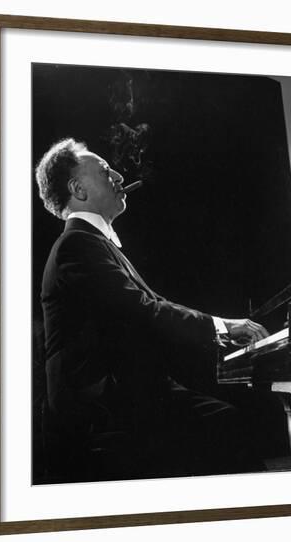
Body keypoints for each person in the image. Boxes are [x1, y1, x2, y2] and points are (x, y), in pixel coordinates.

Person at [35, 137, 268, 482]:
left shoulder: (92, 243)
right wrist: (222, 327)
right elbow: (143, 312)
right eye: (104, 170)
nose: (117, 174)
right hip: (105, 411)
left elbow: (144, 314)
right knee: (229, 426)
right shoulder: (76, 244)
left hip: (128, 398)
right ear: (78, 189)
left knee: (230, 421)